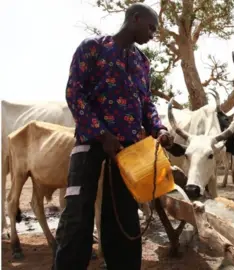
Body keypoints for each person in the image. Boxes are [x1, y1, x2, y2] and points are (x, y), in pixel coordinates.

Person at [52, 3, 176, 270]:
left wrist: (160, 129)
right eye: (151, 27)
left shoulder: (142, 62)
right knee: (77, 218)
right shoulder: (92, 47)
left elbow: (146, 104)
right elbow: (74, 94)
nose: (153, 34)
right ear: (135, 18)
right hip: (89, 147)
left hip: (128, 155)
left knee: (123, 219)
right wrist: (102, 134)